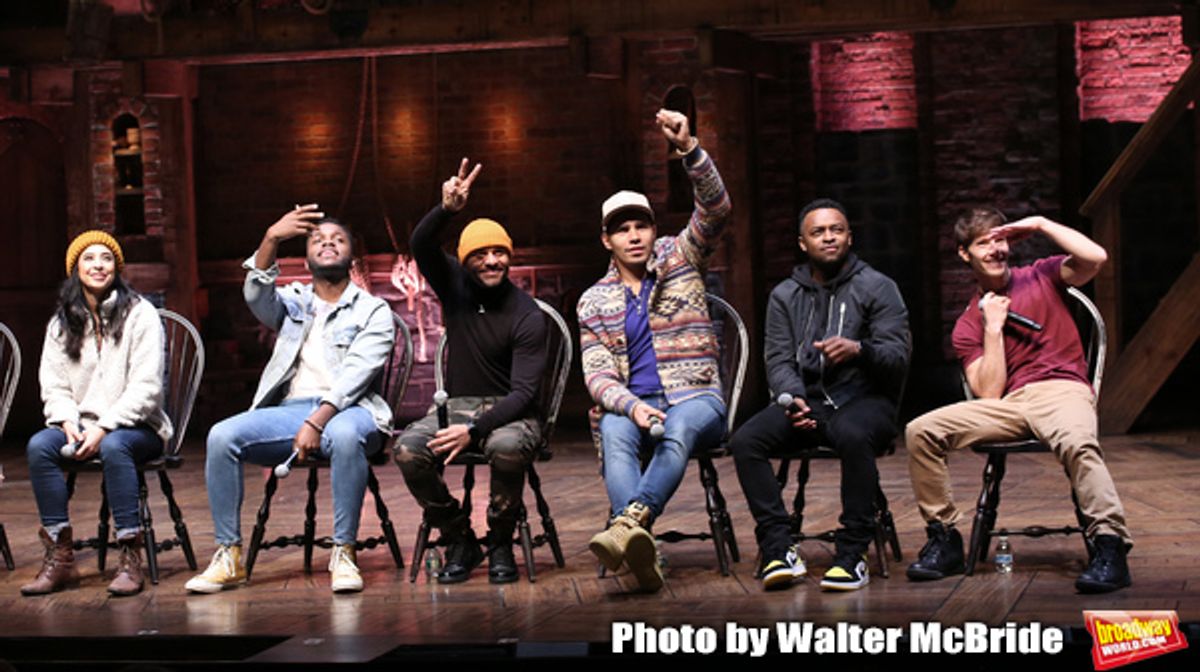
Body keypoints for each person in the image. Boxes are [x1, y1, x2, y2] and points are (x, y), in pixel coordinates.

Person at [905, 207, 1132, 593]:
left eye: (1000, 239)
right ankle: (944, 538)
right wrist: (992, 328)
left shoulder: (1041, 275)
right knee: (920, 431)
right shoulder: (968, 325)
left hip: (1062, 390)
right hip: (1009, 404)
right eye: (983, 242)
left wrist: (1041, 225)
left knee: (1078, 443)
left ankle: (1110, 545)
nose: (995, 249)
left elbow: (1096, 258)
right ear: (965, 254)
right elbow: (989, 393)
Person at [185, 208, 395, 594]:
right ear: (306, 256)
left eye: (338, 238)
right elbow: (255, 293)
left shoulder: (374, 310)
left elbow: (356, 376)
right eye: (317, 239)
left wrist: (316, 422)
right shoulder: (293, 302)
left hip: (352, 412)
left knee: (346, 437)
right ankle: (229, 555)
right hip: (290, 411)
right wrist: (271, 237)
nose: (328, 242)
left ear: (352, 255)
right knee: (220, 436)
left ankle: (344, 551)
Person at [578, 109, 732, 592]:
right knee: (614, 426)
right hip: (637, 403)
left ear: (652, 229)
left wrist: (689, 150)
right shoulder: (594, 300)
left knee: (678, 426)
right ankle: (642, 552)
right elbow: (598, 376)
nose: (635, 236)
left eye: (641, 226)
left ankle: (628, 524)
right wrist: (634, 407)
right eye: (622, 229)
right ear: (607, 240)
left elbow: (716, 209)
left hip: (696, 400)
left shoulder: (681, 258)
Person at [729, 199, 910, 592]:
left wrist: (860, 350)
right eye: (818, 232)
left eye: (836, 230)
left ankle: (852, 552)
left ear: (849, 236)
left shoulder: (878, 287)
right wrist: (792, 399)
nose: (829, 237)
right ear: (802, 242)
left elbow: (898, 357)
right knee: (746, 440)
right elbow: (777, 360)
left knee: (851, 432)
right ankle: (779, 547)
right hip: (808, 400)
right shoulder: (784, 295)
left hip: (866, 402)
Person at [395, 159, 547, 585]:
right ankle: (460, 537)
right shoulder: (455, 287)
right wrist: (446, 209)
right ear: (465, 261)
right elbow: (421, 245)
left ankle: (500, 541)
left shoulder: (527, 314)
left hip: (511, 413)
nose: (492, 260)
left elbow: (523, 394)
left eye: (499, 252)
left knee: (507, 448)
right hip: (456, 408)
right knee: (408, 450)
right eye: (480, 254)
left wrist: (475, 430)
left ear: (509, 257)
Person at [22, 230, 172, 597]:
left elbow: (147, 387)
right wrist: (67, 421)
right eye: (88, 258)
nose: (98, 265)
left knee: (114, 446)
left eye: (106, 258)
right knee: (40, 445)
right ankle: (59, 552)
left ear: (116, 268)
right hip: (82, 424)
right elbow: (54, 385)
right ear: (75, 269)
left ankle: (128, 553)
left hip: (138, 428)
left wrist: (104, 428)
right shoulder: (61, 324)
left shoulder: (140, 314)